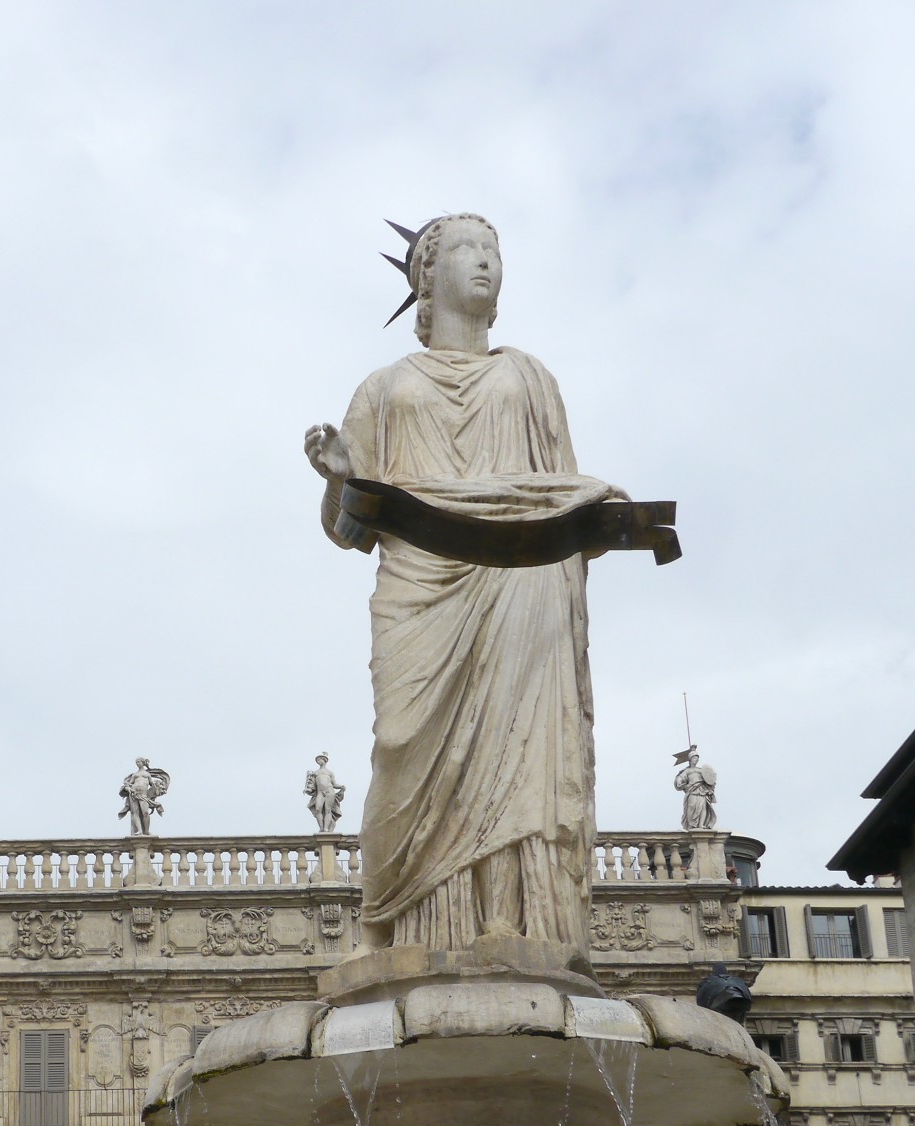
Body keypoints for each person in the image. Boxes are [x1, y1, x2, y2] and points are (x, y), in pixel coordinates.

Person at [303, 214, 613, 950]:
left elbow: (563, 499)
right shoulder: (385, 388)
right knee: (402, 748)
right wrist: (340, 479)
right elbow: (348, 531)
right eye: (470, 249)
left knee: (518, 751)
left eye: (494, 251)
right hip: (421, 589)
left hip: (523, 580)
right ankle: (409, 929)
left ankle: (514, 925)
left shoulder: (529, 379)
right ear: (426, 276)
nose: (486, 262)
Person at [117, 757, 169, 836]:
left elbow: (152, 784)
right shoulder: (135, 774)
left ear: (143, 762)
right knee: (135, 812)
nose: (137, 763)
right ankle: (140, 831)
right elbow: (129, 783)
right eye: (136, 762)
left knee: (145, 812)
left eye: (138, 762)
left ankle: (146, 831)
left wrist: (159, 787)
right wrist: (127, 787)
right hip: (134, 794)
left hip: (143, 795)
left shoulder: (147, 774)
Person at [674, 745, 717, 831]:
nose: (696, 760)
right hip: (692, 790)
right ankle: (691, 824)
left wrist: (711, 782)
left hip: (702, 790)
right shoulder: (687, 771)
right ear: (690, 759)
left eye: (697, 758)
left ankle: (701, 824)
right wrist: (679, 782)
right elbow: (680, 777)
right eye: (694, 758)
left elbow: (709, 779)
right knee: (691, 806)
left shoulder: (701, 770)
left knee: (703, 807)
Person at [304, 752, 347, 833]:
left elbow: (334, 784)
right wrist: (308, 789)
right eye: (317, 760)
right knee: (318, 810)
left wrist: (341, 786)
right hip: (320, 793)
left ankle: (326, 828)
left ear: (324, 760)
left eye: (319, 760)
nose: (318, 762)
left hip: (329, 791)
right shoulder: (315, 773)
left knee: (328, 810)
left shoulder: (329, 773)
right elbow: (312, 785)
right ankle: (321, 828)